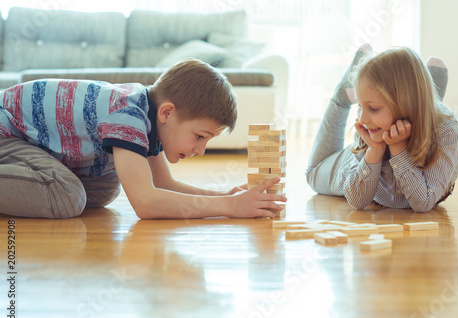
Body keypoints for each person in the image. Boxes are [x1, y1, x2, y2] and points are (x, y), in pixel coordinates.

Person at [0, 58, 286, 219]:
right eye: (199, 136)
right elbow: (146, 204)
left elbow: (164, 185)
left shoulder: (148, 115)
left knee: (103, 189)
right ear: (167, 112)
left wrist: (225, 196)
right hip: (8, 130)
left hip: (36, 143)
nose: (200, 150)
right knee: (67, 197)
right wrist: (229, 208)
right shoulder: (128, 113)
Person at [306, 44, 458, 212]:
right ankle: (341, 98)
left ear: (406, 103)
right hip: (349, 171)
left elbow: (424, 202)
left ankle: (429, 97)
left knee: (429, 118)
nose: (361, 119)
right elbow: (357, 202)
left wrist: (398, 148)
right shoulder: (370, 128)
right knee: (313, 174)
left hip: (420, 119)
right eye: (359, 106)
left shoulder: (447, 131)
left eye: (373, 108)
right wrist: (374, 149)